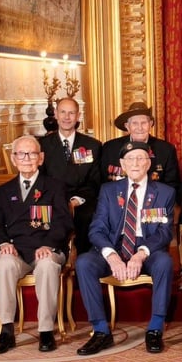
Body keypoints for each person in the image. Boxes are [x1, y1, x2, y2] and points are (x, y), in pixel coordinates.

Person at [75, 141, 176, 355]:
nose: (135, 163)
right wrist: (111, 256)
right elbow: (97, 229)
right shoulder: (109, 190)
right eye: (130, 159)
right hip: (115, 245)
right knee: (84, 263)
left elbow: (164, 232)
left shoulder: (165, 192)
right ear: (122, 163)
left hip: (147, 248)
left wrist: (140, 254)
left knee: (165, 262)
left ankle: (155, 329)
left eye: (140, 158)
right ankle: (101, 331)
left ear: (149, 163)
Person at [0, 135, 73, 354]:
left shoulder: (55, 186)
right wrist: (3, 244)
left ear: (41, 158)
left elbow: (64, 222)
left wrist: (49, 245)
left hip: (47, 248)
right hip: (17, 250)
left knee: (46, 265)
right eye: (21, 154)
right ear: (14, 159)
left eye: (32, 153)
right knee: (4, 264)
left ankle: (45, 331)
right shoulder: (5, 191)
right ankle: (6, 330)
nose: (27, 158)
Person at [39, 96, 102, 255]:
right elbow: (40, 179)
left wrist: (76, 200)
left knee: (90, 216)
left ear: (78, 116)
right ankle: (53, 262)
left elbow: (95, 181)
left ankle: (84, 267)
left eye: (71, 113)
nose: (67, 117)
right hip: (52, 199)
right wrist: (59, 200)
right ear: (56, 114)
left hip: (83, 201)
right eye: (63, 112)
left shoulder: (93, 145)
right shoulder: (42, 145)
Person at [99, 102, 180, 190]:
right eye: (135, 123)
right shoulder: (110, 148)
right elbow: (103, 184)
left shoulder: (166, 149)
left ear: (150, 124)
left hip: (154, 201)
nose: (140, 128)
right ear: (127, 126)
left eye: (144, 123)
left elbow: (171, 186)